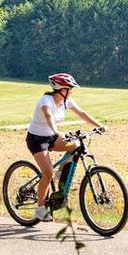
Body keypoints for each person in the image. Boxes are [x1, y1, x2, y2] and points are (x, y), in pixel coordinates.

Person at [26, 72, 105, 223]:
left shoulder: (66, 101)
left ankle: (61, 172)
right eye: (70, 88)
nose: (72, 91)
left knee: (75, 146)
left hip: (52, 137)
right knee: (47, 173)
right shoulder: (46, 101)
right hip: (37, 140)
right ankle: (40, 209)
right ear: (62, 90)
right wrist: (56, 131)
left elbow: (82, 113)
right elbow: (49, 116)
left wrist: (99, 125)